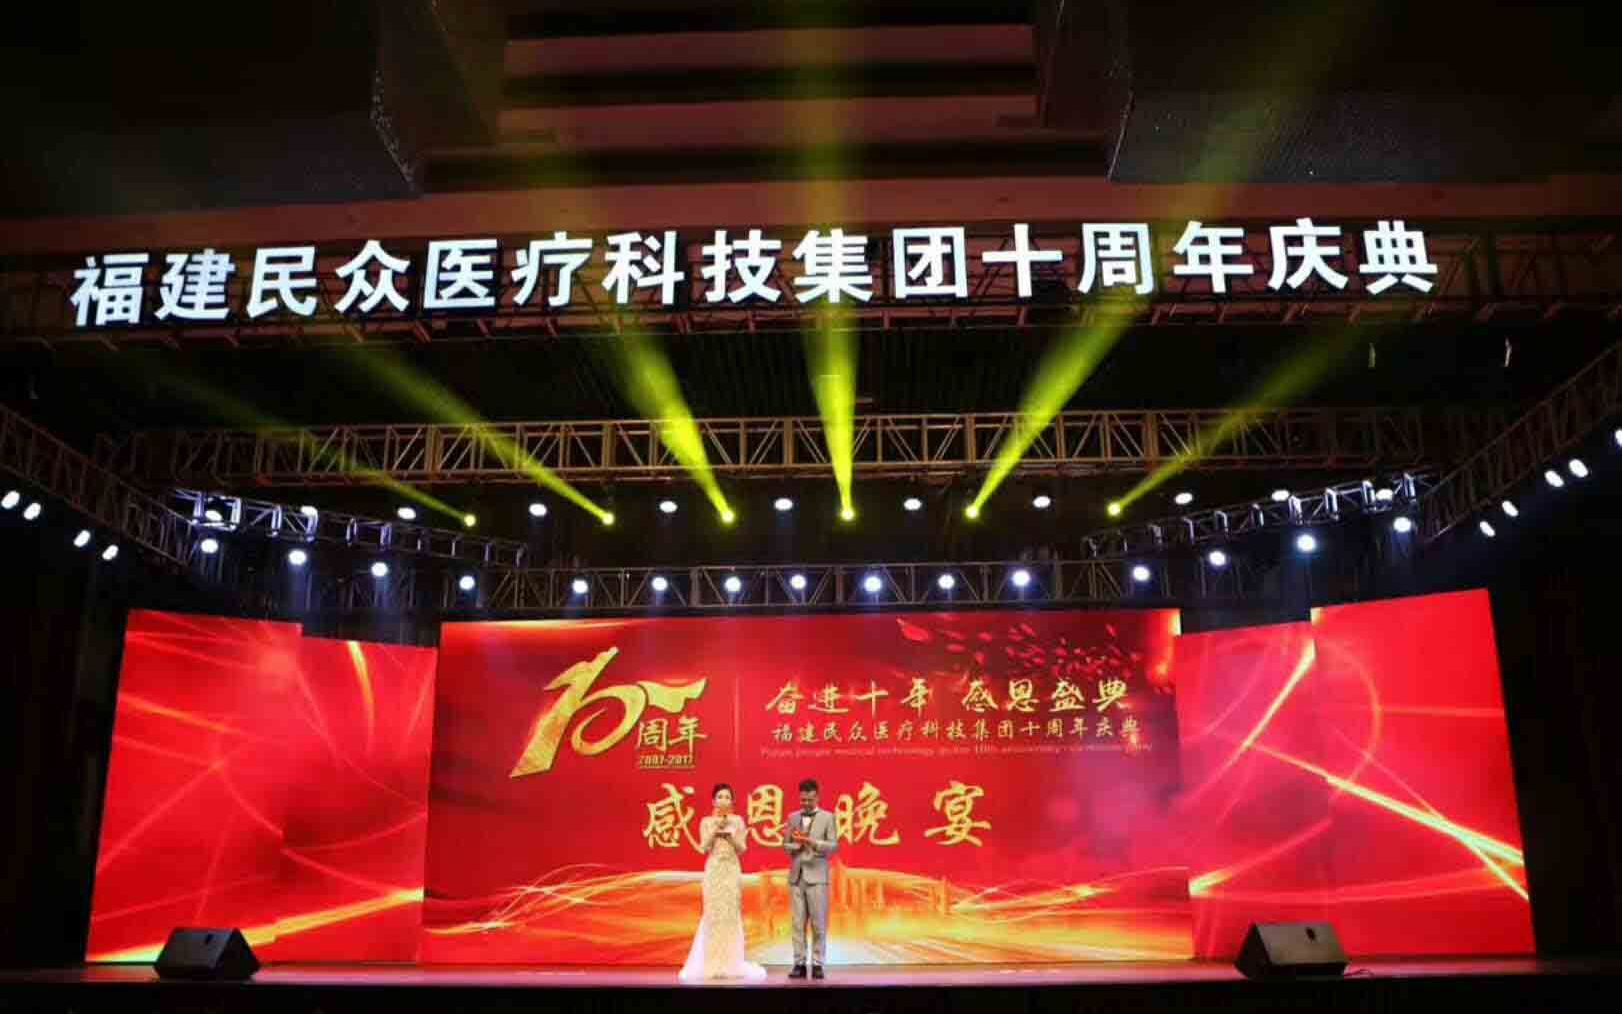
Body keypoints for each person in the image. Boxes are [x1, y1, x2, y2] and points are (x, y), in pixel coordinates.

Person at [679, 783, 767, 982]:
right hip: (714, 871)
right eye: (720, 797)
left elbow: (742, 848)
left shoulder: (738, 821)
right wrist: (715, 831)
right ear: (713, 801)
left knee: (730, 914)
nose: (723, 800)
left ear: (732, 801)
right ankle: (712, 964)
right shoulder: (706, 822)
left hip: (732, 871)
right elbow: (703, 847)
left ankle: (731, 964)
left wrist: (730, 836)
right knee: (713, 915)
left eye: (727, 797)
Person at [783, 777, 837, 979]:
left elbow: (833, 846)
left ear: (817, 797)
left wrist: (812, 842)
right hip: (796, 877)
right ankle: (799, 963)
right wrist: (797, 845)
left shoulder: (828, 817)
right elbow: (785, 845)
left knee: (818, 923)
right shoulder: (792, 817)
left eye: (809, 800)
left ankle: (817, 963)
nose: (805, 803)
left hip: (817, 877)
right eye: (802, 800)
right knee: (797, 923)